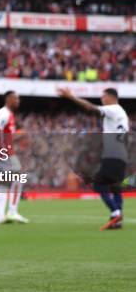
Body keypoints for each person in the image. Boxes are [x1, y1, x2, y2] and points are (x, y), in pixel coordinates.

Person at [58, 87, 129, 230]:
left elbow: (91, 108)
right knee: (115, 187)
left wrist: (71, 96)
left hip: (112, 155)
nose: (102, 100)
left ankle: (115, 212)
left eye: (104, 97)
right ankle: (118, 219)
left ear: (111, 97)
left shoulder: (113, 108)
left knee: (99, 185)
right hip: (121, 155)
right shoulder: (122, 114)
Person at [0, 91, 29, 224]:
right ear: (9, 99)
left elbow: (5, 135)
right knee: (18, 177)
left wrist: (17, 136)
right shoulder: (4, 113)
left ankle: (0, 216)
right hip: (4, 153)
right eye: (16, 98)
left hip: (5, 151)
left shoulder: (9, 115)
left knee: (5, 183)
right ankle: (12, 212)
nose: (18, 101)